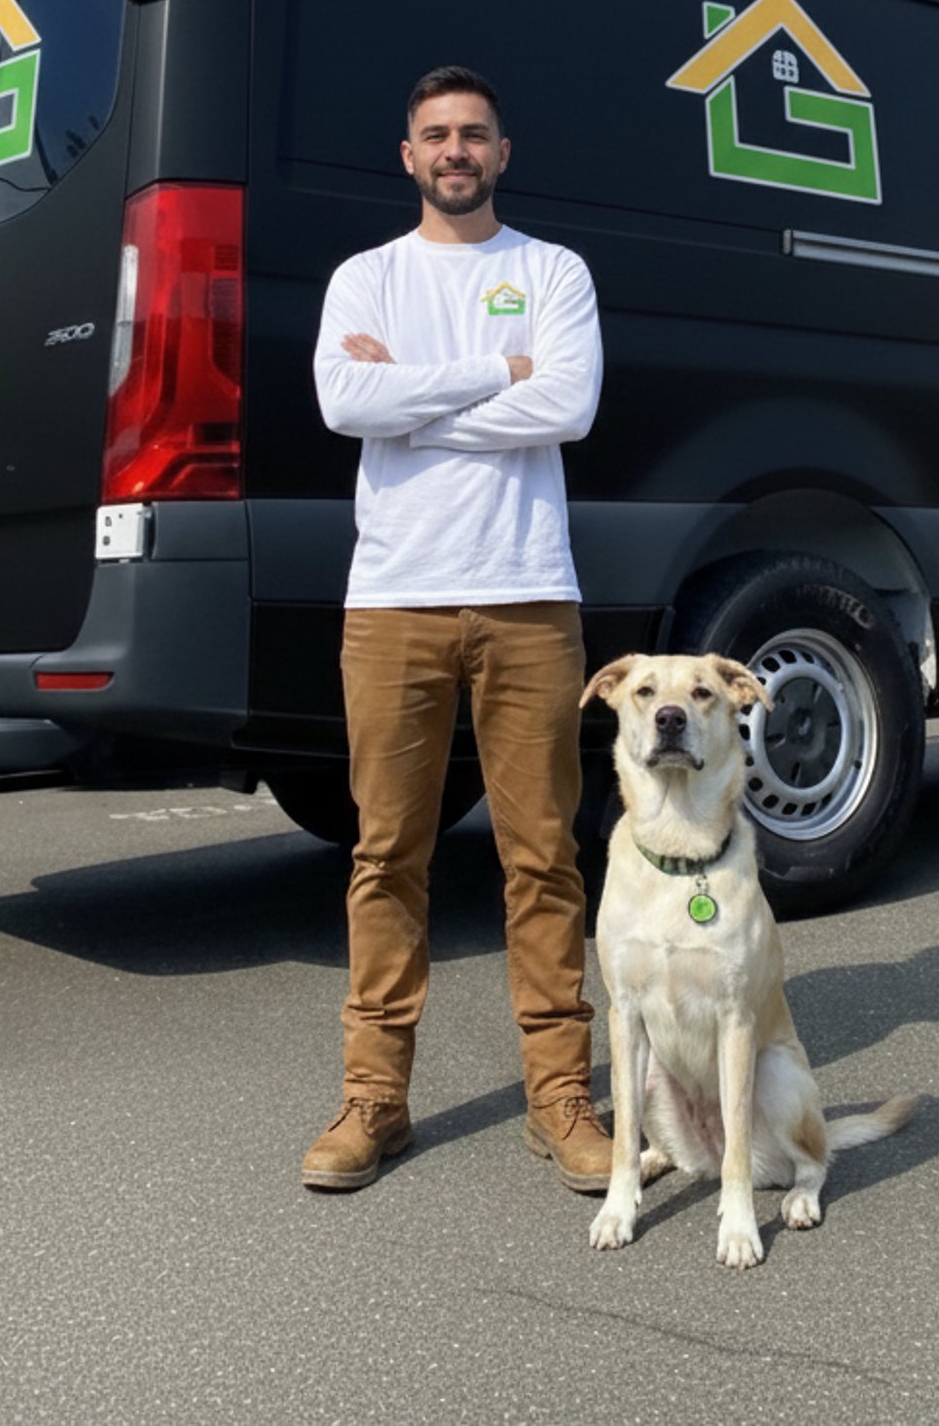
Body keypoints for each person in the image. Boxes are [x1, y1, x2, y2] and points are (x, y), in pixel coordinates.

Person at [303, 65, 611, 1195]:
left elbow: (566, 407)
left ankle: (561, 1100)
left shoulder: (552, 271)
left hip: (530, 595)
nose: (455, 151)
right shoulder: (364, 278)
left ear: (502, 151)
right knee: (388, 854)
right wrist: (496, 373)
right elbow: (345, 404)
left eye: (474, 134)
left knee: (544, 859)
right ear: (408, 155)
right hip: (393, 603)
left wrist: (419, 404)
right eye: (435, 134)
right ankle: (374, 1103)